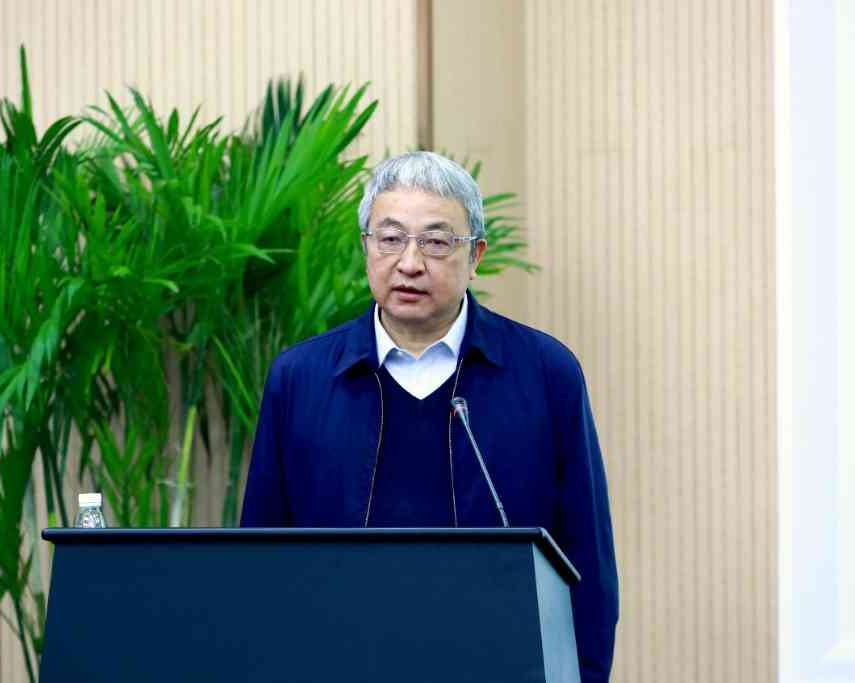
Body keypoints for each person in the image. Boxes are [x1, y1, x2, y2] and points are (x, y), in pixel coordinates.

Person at [241, 151, 618, 681]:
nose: (410, 263)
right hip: (336, 664)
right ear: (366, 246)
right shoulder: (300, 378)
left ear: (475, 255)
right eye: (390, 238)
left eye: (436, 242)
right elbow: (260, 562)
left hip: (497, 667)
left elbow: (587, 561)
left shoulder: (545, 373)